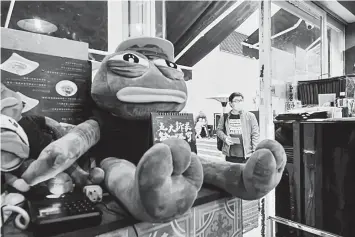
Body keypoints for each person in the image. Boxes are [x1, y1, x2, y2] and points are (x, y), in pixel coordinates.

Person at [216, 92, 260, 163]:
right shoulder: (225, 117)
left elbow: (255, 134)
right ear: (230, 103)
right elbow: (218, 130)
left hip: (246, 155)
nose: (239, 103)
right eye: (236, 101)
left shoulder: (250, 116)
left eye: (241, 100)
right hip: (230, 154)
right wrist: (225, 138)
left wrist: (255, 152)